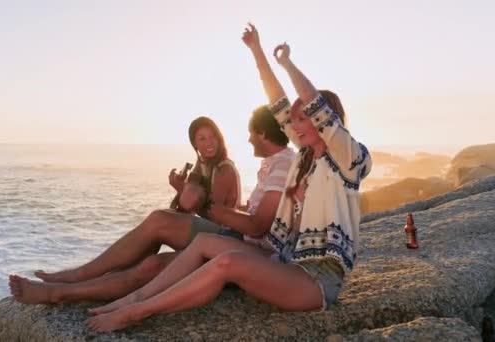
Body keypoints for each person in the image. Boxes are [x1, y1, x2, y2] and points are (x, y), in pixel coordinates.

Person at [85, 23, 372, 332]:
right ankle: (133, 299)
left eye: (304, 118)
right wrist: (257, 51)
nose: (295, 123)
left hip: (316, 279)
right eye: (296, 118)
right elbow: (277, 102)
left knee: (227, 263)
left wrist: (288, 64)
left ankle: (138, 311)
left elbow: (317, 107)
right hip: (283, 260)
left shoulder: (348, 160)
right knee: (207, 242)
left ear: (322, 121)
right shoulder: (304, 158)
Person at [8, 116, 242, 304]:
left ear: (220, 139)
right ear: (195, 145)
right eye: (202, 139)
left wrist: (181, 189)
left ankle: (72, 281)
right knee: (147, 260)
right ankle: (74, 282)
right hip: (205, 239)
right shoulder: (202, 167)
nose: (209, 142)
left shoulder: (223, 169)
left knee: (158, 223)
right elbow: (186, 208)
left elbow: (216, 215)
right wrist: (184, 191)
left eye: (212, 137)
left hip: (221, 240)